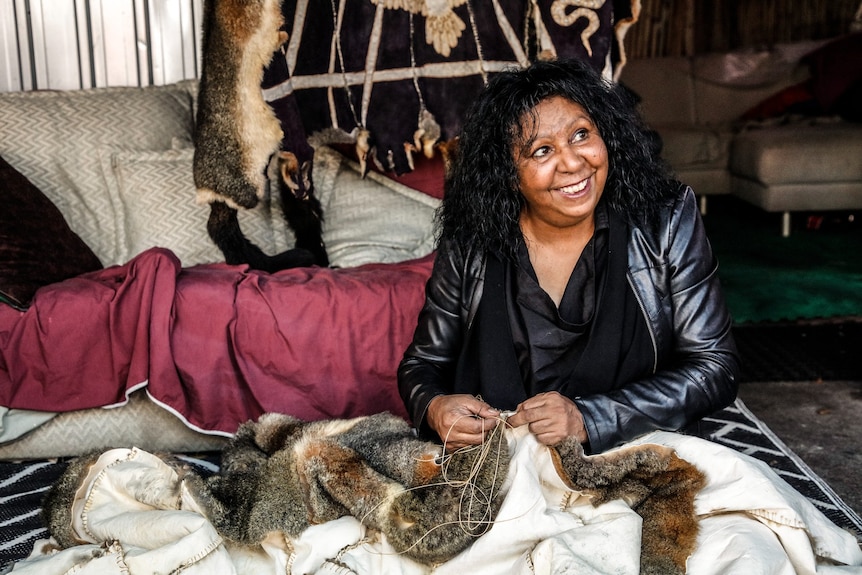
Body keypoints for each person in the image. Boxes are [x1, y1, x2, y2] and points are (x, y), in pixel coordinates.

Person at [398, 57, 740, 454]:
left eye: (581, 135)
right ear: (509, 173)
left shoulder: (663, 220)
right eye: (542, 150)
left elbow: (715, 367)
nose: (573, 163)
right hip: (500, 463)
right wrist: (435, 406)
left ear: (605, 135)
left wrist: (589, 418)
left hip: (635, 453)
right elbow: (422, 365)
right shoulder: (472, 240)